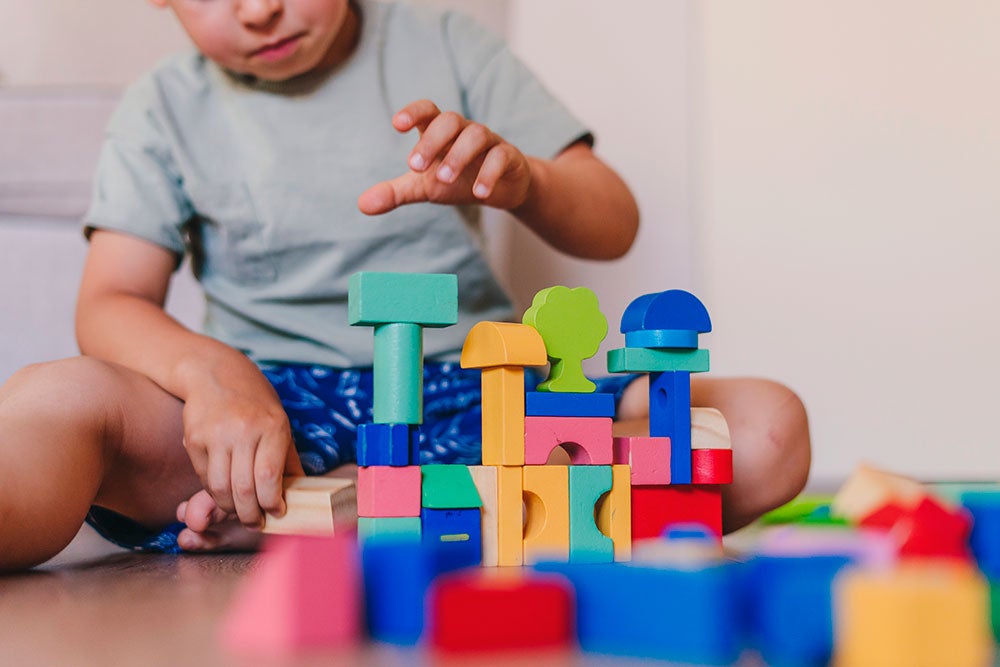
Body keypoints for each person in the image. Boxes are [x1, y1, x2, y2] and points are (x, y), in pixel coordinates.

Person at [0, 0, 809, 571]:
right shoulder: (162, 107)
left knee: (766, 427)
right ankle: (354, 507)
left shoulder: (449, 45)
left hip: (484, 402)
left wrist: (525, 181)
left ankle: (343, 515)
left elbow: (615, 221)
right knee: (57, 399)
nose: (258, 9)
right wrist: (215, 376)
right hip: (269, 419)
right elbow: (110, 302)